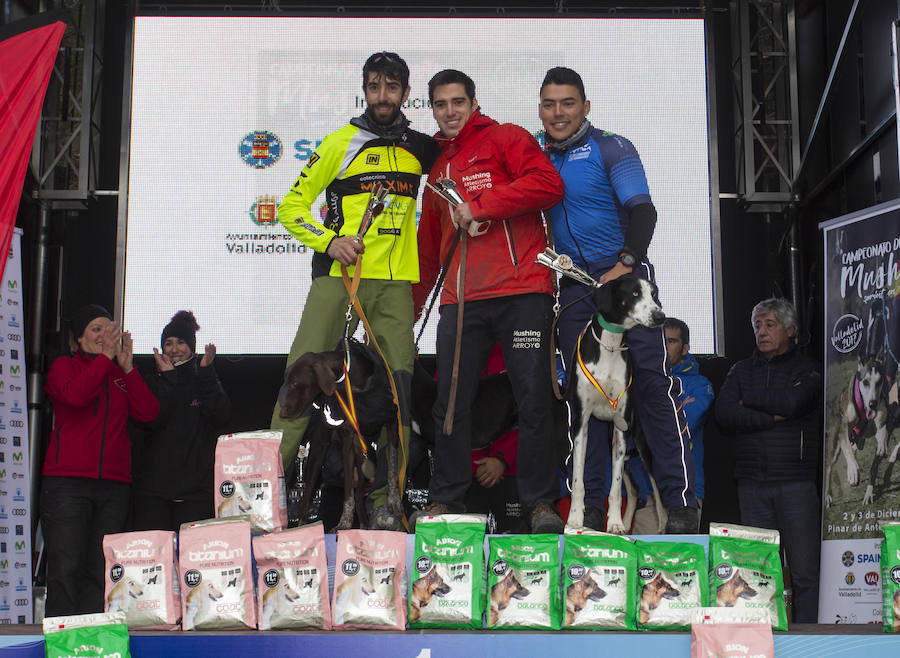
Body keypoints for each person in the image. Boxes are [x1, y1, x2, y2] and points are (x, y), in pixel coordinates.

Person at [271, 52, 439, 530]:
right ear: (364, 90)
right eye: (374, 87)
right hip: (338, 278)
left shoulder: (422, 150)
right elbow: (291, 207)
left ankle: (389, 500)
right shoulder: (340, 142)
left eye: (391, 88)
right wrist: (330, 240)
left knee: (400, 391)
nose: (382, 97)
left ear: (407, 94)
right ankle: (264, 493)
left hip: (394, 286)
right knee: (299, 375)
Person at [539, 66, 700, 533]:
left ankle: (681, 501)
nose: (558, 113)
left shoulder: (613, 146)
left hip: (623, 280)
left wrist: (627, 262)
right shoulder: (534, 150)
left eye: (568, 103)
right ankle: (588, 506)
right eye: (549, 104)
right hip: (574, 288)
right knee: (583, 399)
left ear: (585, 106)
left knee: (651, 383)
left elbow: (643, 210)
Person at [411, 69, 566, 533]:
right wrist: (414, 308)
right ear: (433, 110)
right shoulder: (437, 170)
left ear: (473, 102)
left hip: (522, 290)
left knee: (533, 398)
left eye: (458, 101)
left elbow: (547, 186)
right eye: (441, 104)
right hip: (462, 300)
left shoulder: (506, 138)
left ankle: (540, 503)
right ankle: (447, 501)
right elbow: (427, 246)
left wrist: (481, 205)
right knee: (450, 402)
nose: (451, 111)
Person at [40, 304, 160, 616]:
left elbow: (149, 414)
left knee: (101, 570)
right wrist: (106, 360)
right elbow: (76, 397)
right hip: (68, 485)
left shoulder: (120, 374)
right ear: (78, 338)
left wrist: (129, 368)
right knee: (66, 569)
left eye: (110, 331)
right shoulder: (65, 366)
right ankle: (61, 643)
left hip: (114, 487)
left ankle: (92, 641)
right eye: (96, 330)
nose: (105, 337)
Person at [715, 298, 822, 623]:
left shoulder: (808, 368)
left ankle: (808, 636)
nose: (762, 332)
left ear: (790, 330)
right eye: (758, 325)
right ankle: (765, 633)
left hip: (796, 483)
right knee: (758, 569)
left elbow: (793, 403)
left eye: (770, 325)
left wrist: (750, 402)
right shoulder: (740, 370)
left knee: (804, 570)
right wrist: (769, 417)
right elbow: (724, 413)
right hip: (752, 484)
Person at [132, 310, 231, 532]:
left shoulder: (202, 379)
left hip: (195, 492)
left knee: (192, 562)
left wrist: (206, 373)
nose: (174, 349)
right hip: (154, 492)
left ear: (192, 347)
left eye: (181, 342)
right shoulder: (151, 382)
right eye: (168, 343)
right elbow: (151, 421)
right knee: (156, 564)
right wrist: (167, 380)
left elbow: (221, 415)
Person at [631, 317, 714, 533]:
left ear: (685, 348)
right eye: (659, 341)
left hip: (686, 491)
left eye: (670, 341)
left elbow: (677, 427)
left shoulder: (699, 385)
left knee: (681, 562)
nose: (663, 347)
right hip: (645, 490)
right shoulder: (634, 383)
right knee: (646, 564)